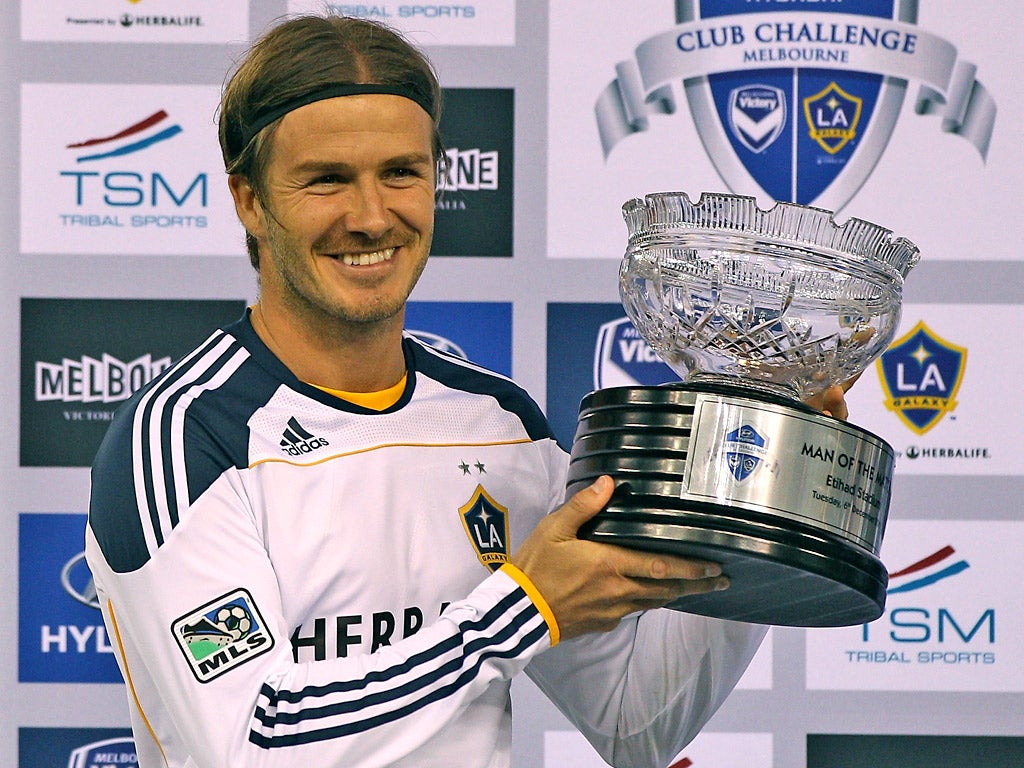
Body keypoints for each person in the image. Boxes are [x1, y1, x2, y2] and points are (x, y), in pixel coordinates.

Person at [86, 14, 851, 768]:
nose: (371, 216)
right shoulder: (187, 437)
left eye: (400, 173)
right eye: (326, 181)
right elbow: (252, 746)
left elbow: (635, 722)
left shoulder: (496, 424)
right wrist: (519, 612)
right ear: (250, 200)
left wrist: (750, 501)